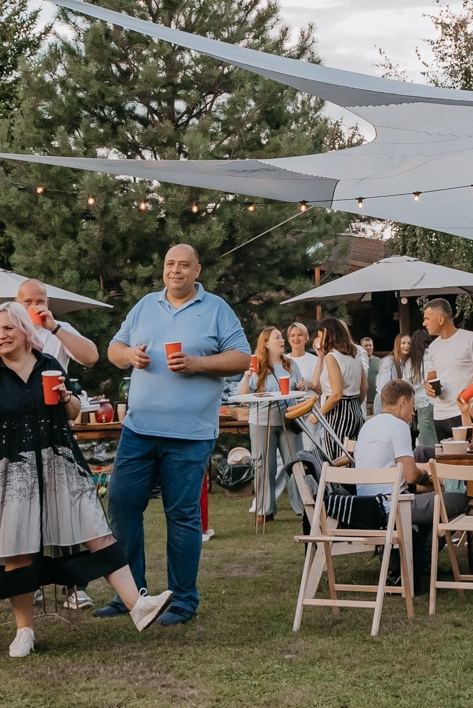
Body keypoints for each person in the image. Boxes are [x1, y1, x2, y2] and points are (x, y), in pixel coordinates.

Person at [0, 304, 173, 656]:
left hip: (58, 461)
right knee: (19, 549)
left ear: (26, 331)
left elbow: (72, 413)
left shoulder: (48, 365)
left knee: (96, 531)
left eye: (8, 328)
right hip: (10, 468)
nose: (1, 335)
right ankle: (24, 630)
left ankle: (137, 605)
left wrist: (67, 398)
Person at [99, 244, 251, 627]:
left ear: (197, 270)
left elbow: (241, 358)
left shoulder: (216, 309)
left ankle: (183, 600)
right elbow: (113, 349)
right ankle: (131, 595)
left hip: (190, 433)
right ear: (163, 269)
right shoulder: (146, 305)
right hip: (138, 429)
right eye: (170, 264)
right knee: (120, 503)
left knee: (182, 515)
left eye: (184, 265)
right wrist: (130, 355)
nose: (176, 270)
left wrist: (199, 363)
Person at [326, 379, 436, 584]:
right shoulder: (398, 426)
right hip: (392, 507)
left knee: (429, 505)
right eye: (412, 406)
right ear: (403, 401)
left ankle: (411, 564)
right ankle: (419, 567)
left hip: (367, 506)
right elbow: (411, 476)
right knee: (456, 501)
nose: (413, 412)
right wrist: (428, 477)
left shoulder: (368, 426)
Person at [239, 326, 295, 525]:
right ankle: (264, 510)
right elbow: (244, 397)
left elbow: (298, 386)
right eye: (277, 337)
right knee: (263, 466)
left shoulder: (290, 364)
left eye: (282, 337)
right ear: (266, 343)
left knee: (295, 464)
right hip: (262, 419)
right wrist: (247, 375)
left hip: (289, 419)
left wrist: (302, 386)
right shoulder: (257, 366)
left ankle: (302, 507)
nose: (282, 340)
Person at [420, 299, 473, 440]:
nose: (424, 324)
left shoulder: (471, 339)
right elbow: (432, 376)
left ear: (440, 319)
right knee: (447, 459)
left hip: (464, 412)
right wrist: (427, 386)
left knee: (470, 458)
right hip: (440, 414)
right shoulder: (433, 347)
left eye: (427, 319)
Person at [13, 279, 100, 371]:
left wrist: (55, 328)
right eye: (28, 302)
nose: (34, 307)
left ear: (47, 303)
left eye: (40, 302)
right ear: (16, 303)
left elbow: (91, 358)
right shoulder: (4, 330)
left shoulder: (60, 328)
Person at [316, 317, 369, 447]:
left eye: (320, 336)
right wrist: (354, 405)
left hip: (337, 412)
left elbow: (336, 394)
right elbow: (364, 387)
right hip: (355, 408)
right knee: (353, 453)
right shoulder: (355, 353)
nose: (318, 340)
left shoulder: (332, 357)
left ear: (328, 335)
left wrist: (318, 414)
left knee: (337, 456)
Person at [283, 320, 321, 396]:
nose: (296, 338)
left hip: (312, 406)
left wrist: (309, 385)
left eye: (300, 335)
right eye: (292, 335)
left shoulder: (316, 361)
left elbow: (323, 391)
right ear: (288, 339)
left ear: (306, 337)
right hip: (290, 406)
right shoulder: (283, 361)